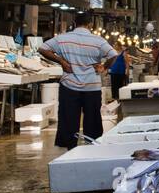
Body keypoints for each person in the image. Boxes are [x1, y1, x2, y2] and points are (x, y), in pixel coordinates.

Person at [39, 13, 118, 149]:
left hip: (69, 86)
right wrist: (104, 67)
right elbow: (113, 54)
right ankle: (92, 147)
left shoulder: (62, 38)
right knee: (92, 119)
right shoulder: (98, 41)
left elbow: (42, 49)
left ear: (75, 23)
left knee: (68, 119)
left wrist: (62, 61)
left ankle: (70, 148)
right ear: (90, 25)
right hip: (92, 87)